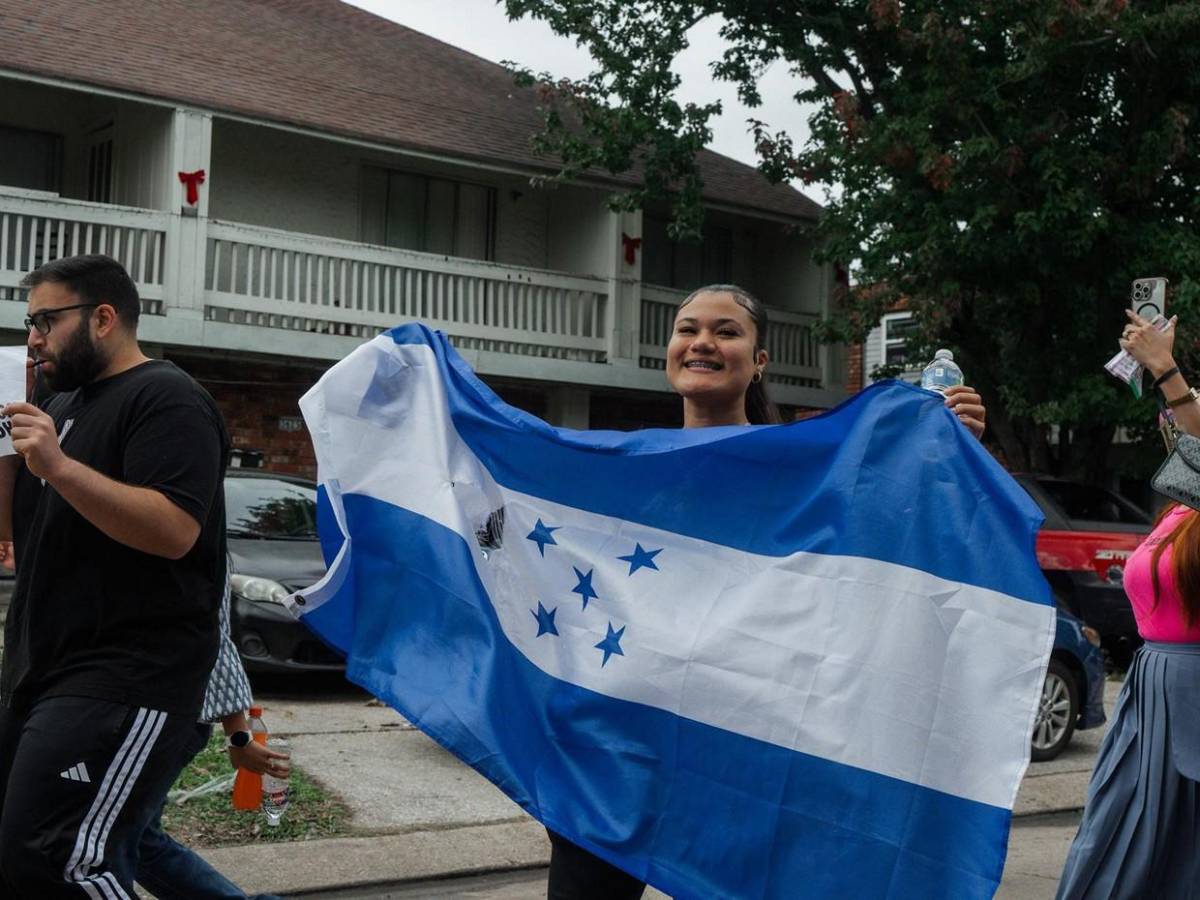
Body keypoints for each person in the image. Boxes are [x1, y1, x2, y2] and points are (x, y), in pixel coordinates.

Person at [545, 283, 987, 899]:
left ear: (758, 362)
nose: (702, 342)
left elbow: (895, 538)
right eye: (687, 329)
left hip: (743, 757)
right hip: (620, 750)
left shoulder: (807, 473)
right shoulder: (625, 468)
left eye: (726, 331)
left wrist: (950, 454)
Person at [0, 254, 230, 896]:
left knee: (60, 862)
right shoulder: (58, 403)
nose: (33, 338)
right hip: (42, 670)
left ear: (103, 318)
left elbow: (174, 530)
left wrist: (58, 465)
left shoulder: (168, 398)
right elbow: (11, 534)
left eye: (46, 321)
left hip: (128, 674)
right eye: (29, 323)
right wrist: (8, 446)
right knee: (18, 860)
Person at [1056, 309, 1200, 899]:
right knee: (1111, 853)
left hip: (1192, 697)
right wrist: (1158, 373)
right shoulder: (1180, 510)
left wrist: (1166, 369)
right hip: (1148, 695)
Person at [136, 569, 289, 900]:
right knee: (131, 837)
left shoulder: (189, 543)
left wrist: (239, 736)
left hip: (162, 714)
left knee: (127, 836)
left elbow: (210, 636)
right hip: (128, 710)